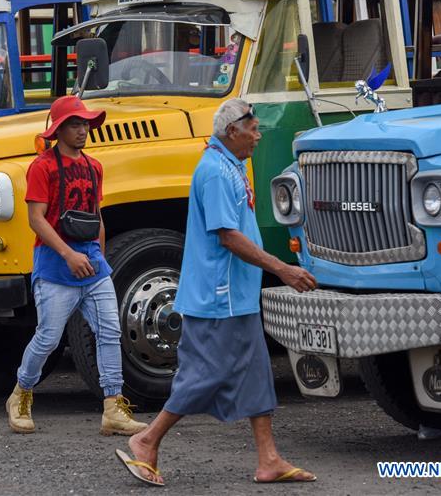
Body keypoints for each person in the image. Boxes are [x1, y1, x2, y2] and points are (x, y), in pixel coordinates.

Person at [115, 98, 318, 487]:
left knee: (256, 371)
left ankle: (269, 459)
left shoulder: (230, 165)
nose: (258, 136)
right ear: (232, 132)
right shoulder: (215, 172)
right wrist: (283, 269)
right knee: (203, 376)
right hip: (217, 298)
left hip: (235, 296)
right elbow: (228, 236)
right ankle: (146, 439)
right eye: (253, 130)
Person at [6, 95, 148, 437]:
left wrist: (97, 258)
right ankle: (21, 393)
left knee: (111, 333)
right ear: (59, 130)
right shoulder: (42, 167)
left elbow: (95, 217)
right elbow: (36, 220)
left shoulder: (93, 166)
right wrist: (69, 255)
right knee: (49, 337)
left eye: (85, 124)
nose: (82, 130)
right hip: (55, 266)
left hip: (92, 267)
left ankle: (113, 406)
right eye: (75, 124)